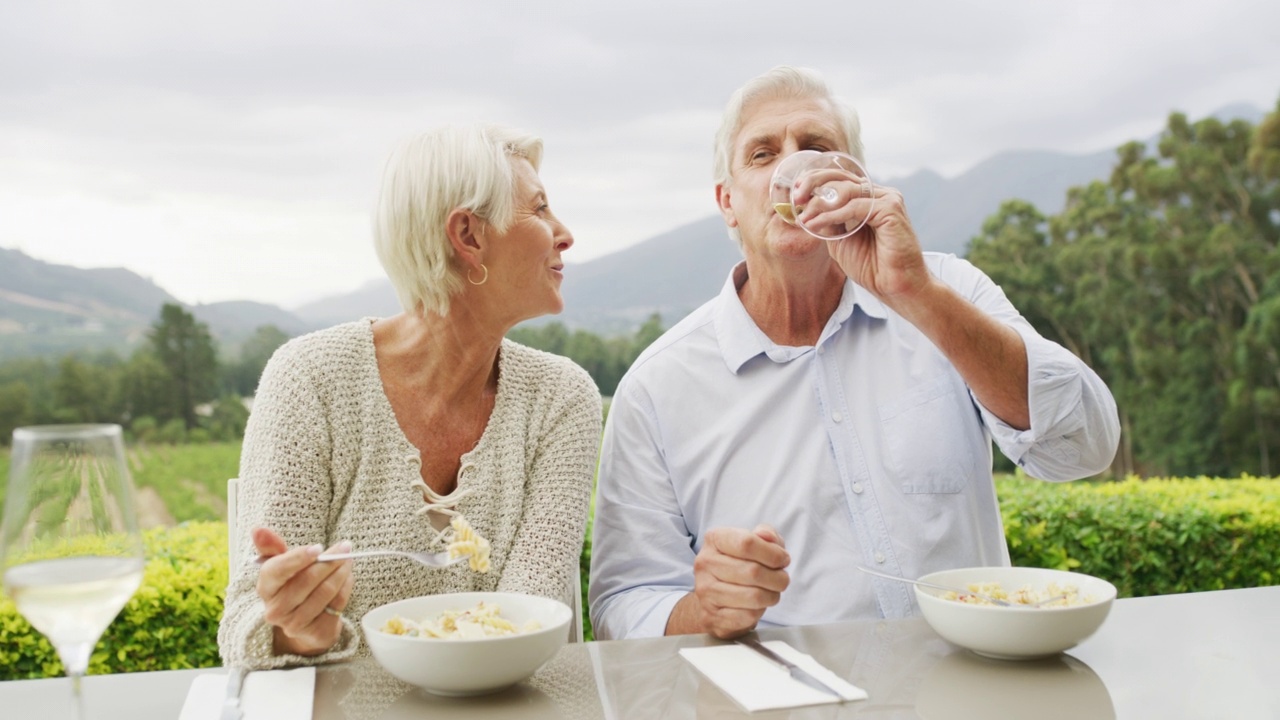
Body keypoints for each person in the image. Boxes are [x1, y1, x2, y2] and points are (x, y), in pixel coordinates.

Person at [588, 66, 1120, 641]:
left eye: (816, 148)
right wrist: (705, 611)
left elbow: (1083, 447)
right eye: (763, 155)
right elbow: (624, 601)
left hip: (969, 687)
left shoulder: (947, 291)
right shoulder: (657, 386)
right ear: (727, 202)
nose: (792, 174)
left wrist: (916, 296)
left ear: (854, 179)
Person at [219, 124, 602, 668]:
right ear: (468, 236)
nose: (564, 234)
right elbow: (247, 623)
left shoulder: (561, 400)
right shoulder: (310, 380)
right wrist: (299, 631)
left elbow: (528, 615)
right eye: (539, 210)